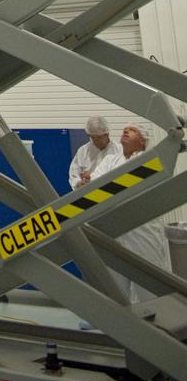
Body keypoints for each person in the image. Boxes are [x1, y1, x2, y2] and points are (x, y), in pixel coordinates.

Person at [90, 124, 172, 304]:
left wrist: (107, 189)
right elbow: (95, 186)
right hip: (112, 227)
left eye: (132, 130)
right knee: (113, 278)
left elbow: (121, 189)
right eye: (125, 129)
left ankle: (158, 319)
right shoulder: (110, 160)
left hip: (142, 228)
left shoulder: (150, 161)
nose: (126, 131)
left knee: (148, 278)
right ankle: (112, 318)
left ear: (142, 141)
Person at [68, 115, 121, 190]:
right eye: (93, 137)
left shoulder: (119, 150)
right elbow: (73, 173)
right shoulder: (83, 151)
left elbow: (119, 175)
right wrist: (79, 183)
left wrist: (91, 177)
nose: (96, 141)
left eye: (99, 137)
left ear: (107, 134)